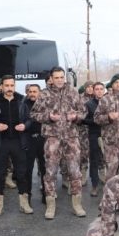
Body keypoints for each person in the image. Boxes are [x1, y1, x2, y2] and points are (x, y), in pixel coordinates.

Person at [30, 66, 87, 219]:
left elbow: (84, 112)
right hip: (52, 138)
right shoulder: (44, 94)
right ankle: (50, 205)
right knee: (50, 172)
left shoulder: (73, 93)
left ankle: (77, 204)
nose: (60, 80)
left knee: (75, 171)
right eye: (57, 77)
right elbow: (34, 114)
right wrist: (48, 116)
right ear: (52, 79)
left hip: (71, 137)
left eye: (62, 77)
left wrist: (76, 116)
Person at [0, 75, 32, 215]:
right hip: (1, 142)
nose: (9, 88)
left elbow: (30, 119)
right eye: (7, 86)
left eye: (12, 85)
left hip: (18, 141)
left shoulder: (22, 100)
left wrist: (25, 125)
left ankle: (24, 204)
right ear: (2, 86)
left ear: (14, 86)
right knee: (0, 173)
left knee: (22, 173)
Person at [23, 84, 47, 205]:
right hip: (29, 139)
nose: (32, 93)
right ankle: (27, 197)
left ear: (39, 93)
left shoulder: (45, 104)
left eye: (35, 91)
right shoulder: (23, 105)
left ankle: (46, 195)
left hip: (43, 139)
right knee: (28, 169)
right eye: (30, 91)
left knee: (45, 169)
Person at [83, 82, 104, 197]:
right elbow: (83, 120)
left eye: (101, 89)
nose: (99, 91)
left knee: (109, 161)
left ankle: (110, 185)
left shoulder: (109, 102)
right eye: (97, 89)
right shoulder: (89, 104)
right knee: (94, 161)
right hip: (94, 135)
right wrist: (95, 120)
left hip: (109, 135)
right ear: (93, 91)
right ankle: (94, 185)